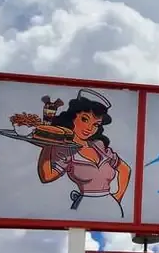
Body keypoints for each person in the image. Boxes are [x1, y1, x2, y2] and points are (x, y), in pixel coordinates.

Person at [36, 89, 131, 220]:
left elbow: (125, 169)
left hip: (112, 210)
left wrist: (117, 197)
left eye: (96, 124)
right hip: (84, 210)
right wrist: (48, 143)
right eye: (85, 119)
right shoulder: (66, 149)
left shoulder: (98, 145)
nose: (89, 128)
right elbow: (46, 176)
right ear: (73, 117)